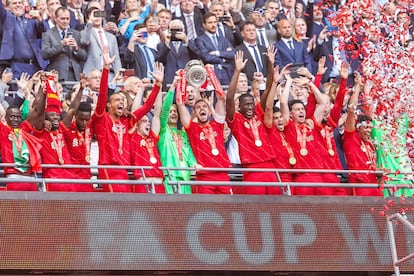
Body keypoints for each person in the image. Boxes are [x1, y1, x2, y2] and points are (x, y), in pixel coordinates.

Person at [90, 52, 164, 193]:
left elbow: (147, 107)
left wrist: (157, 85)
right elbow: (103, 95)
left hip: (123, 169)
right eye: (117, 100)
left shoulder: (126, 120)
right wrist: (106, 68)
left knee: (126, 207)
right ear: (109, 105)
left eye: (123, 101)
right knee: (118, 204)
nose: (122, 102)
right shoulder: (102, 118)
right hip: (109, 168)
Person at [226, 51, 281, 195]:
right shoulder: (236, 120)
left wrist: (270, 63)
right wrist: (237, 71)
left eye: (251, 104)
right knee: (255, 207)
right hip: (251, 169)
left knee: (277, 206)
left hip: (270, 166)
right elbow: (229, 98)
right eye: (246, 105)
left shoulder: (259, 114)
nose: (250, 107)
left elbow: (268, 90)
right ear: (240, 107)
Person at [177, 77, 232, 194]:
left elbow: (221, 98)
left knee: (227, 209)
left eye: (204, 107)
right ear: (195, 112)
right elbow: (180, 104)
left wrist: (212, 76)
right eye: (198, 107)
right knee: (206, 209)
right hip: (204, 175)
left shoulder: (218, 124)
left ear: (209, 111)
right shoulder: (192, 129)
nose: (202, 109)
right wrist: (181, 80)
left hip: (222, 173)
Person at [342, 75, 383, 196]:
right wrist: (358, 87)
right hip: (360, 187)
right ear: (357, 127)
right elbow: (351, 109)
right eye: (365, 127)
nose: (369, 130)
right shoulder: (351, 138)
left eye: (370, 128)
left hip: (374, 186)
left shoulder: (370, 144)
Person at [157, 79, 197, 194]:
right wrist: (173, 87)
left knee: (186, 211)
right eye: (170, 112)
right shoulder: (163, 131)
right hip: (170, 176)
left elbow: (189, 154)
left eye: (175, 111)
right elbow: (164, 110)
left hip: (186, 177)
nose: (173, 113)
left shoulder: (183, 134)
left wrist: (194, 164)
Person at [129, 87, 165, 194]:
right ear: (137, 124)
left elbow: (157, 115)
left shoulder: (152, 138)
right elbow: (134, 113)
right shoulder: (133, 137)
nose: (148, 123)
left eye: (148, 121)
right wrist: (141, 89)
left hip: (159, 182)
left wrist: (159, 87)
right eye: (144, 121)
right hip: (142, 182)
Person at [0, 0, 48, 78]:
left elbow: (44, 33)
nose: (18, 5)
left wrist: (40, 19)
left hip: (34, 66)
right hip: (16, 66)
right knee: (19, 89)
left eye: (20, 3)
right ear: (8, 7)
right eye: (14, 3)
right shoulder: (6, 18)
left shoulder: (31, 18)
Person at [0, 105, 42, 191]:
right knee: (14, 205)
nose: (15, 119)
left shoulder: (24, 129)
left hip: (31, 178)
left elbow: (37, 110)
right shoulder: (3, 131)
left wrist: (44, 92)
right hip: (13, 178)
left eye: (18, 117)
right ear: (6, 118)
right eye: (12, 117)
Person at [41, 7, 87, 83]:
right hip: (58, 76)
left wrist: (76, 48)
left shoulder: (76, 34)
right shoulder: (48, 34)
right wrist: (61, 45)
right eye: (62, 19)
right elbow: (45, 54)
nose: (65, 21)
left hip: (75, 75)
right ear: (55, 19)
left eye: (67, 19)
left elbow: (84, 56)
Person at [80, 7, 122, 81]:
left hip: (110, 75)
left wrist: (118, 76)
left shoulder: (111, 37)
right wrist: (90, 22)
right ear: (87, 18)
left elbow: (116, 59)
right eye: (94, 15)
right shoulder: (85, 33)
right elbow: (84, 41)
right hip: (92, 75)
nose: (97, 17)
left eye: (99, 14)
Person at [196, 12, 235, 85]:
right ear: (204, 25)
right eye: (210, 22)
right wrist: (224, 59)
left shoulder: (223, 39)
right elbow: (206, 57)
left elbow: (233, 53)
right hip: (212, 74)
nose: (213, 25)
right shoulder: (200, 40)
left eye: (215, 22)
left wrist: (217, 53)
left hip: (227, 74)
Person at [155, 19, 199, 85]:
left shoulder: (190, 43)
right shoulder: (162, 45)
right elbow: (159, 60)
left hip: (187, 79)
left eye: (178, 29)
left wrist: (186, 40)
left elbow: (197, 56)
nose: (176, 32)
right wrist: (167, 43)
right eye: (173, 29)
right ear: (169, 30)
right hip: (170, 79)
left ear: (183, 30)